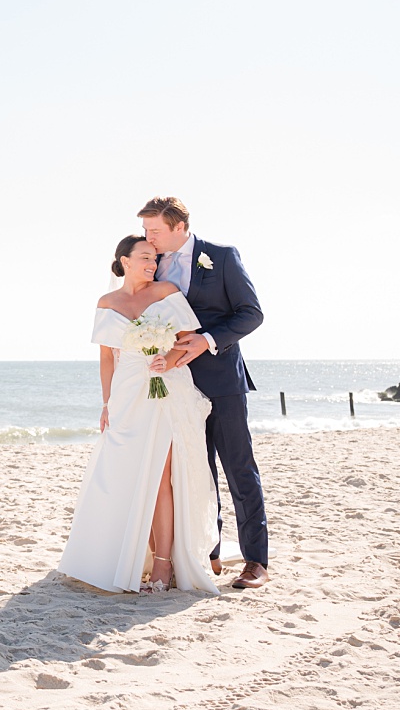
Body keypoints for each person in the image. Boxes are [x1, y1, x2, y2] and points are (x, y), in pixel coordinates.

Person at [56, 235, 220, 595]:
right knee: (126, 475)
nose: (152, 263)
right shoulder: (106, 302)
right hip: (127, 395)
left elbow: (187, 339)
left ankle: (163, 564)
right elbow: (105, 358)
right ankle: (124, 557)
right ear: (124, 260)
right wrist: (106, 403)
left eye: (154, 258)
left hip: (165, 389)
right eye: (144, 257)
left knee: (161, 475)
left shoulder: (166, 291)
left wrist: (169, 360)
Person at [138, 196, 270, 590]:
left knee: (238, 468)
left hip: (223, 382)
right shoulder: (151, 263)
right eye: (146, 232)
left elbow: (251, 313)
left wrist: (208, 339)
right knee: (196, 470)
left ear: (179, 227)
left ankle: (255, 563)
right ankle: (207, 555)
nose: (149, 238)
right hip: (175, 387)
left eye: (155, 231)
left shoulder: (222, 257)